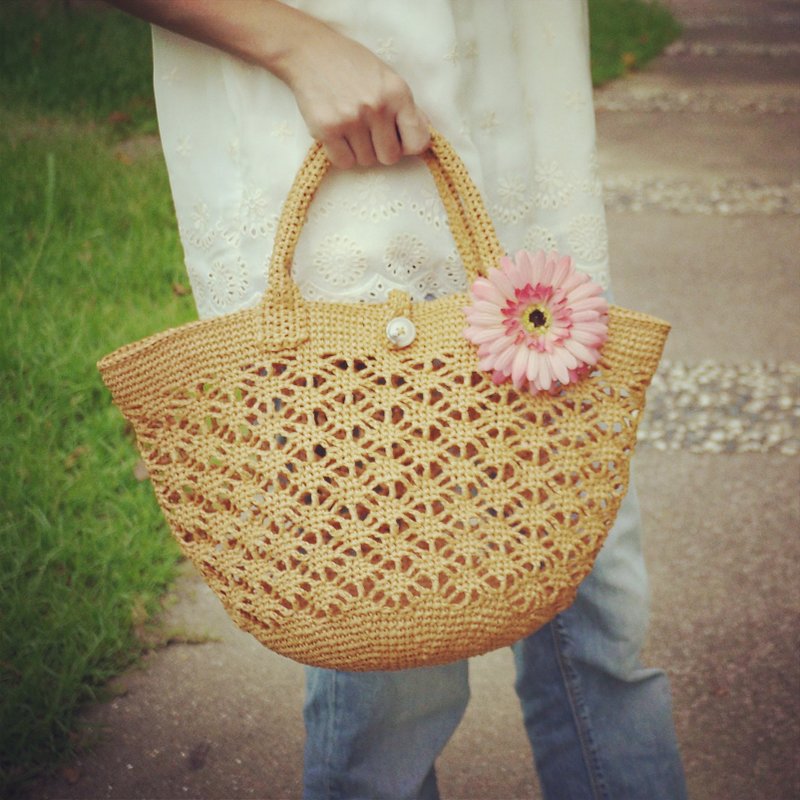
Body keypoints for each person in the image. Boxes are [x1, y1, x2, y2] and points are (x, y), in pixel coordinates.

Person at [106, 1, 688, 797]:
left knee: (599, 612)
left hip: (522, 171)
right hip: (343, 183)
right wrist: (297, 45)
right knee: (391, 661)